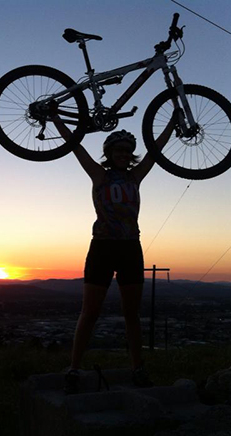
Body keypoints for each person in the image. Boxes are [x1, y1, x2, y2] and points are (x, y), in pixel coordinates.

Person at [51, 111, 177, 393]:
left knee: (132, 313)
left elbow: (156, 151)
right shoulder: (98, 174)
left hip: (131, 247)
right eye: (118, 150)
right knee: (90, 311)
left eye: (127, 151)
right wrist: (57, 120)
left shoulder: (136, 176)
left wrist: (172, 122)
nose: (123, 154)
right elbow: (76, 147)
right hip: (103, 247)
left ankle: (138, 368)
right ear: (109, 153)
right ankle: (74, 367)